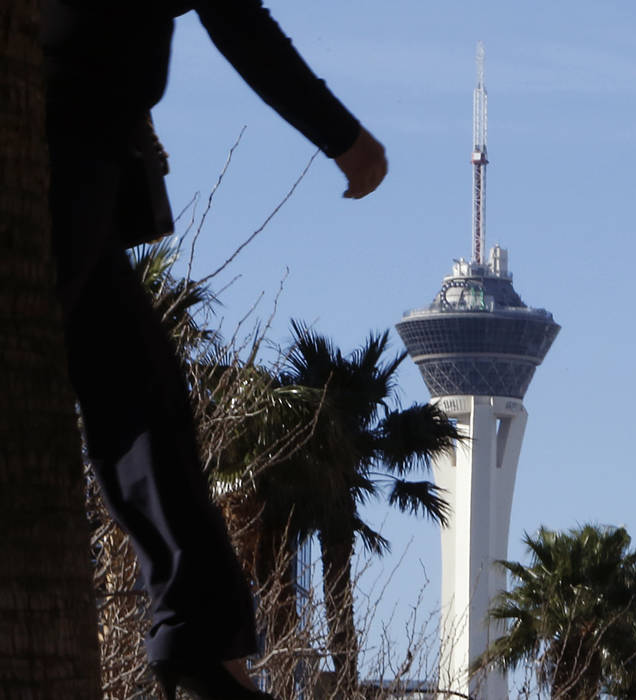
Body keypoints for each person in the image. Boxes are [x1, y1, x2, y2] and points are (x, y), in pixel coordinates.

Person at [41, 1, 387, 698]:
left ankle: (199, 644)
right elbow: (238, 20)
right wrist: (343, 136)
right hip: (56, 147)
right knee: (138, 404)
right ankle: (198, 644)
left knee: (146, 405)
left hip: (86, 150)